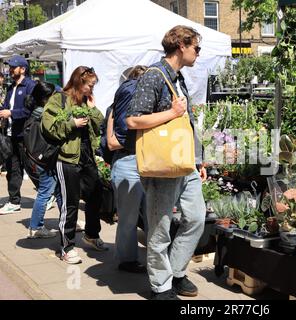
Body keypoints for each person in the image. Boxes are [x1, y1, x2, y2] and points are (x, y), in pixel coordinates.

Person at [126, 25, 207, 300]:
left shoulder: (177, 78)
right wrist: (171, 112)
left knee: (196, 219)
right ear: (181, 45)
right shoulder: (154, 76)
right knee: (159, 229)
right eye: (196, 47)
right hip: (162, 165)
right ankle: (161, 286)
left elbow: (186, 124)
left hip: (184, 164)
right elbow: (133, 119)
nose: (198, 52)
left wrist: (198, 159)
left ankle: (175, 272)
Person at [42, 66, 106, 264]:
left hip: (87, 157)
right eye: (89, 85)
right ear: (79, 82)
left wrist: (93, 108)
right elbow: (48, 127)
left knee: (96, 195)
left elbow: (100, 125)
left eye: (93, 86)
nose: (91, 89)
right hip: (67, 158)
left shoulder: (87, 101)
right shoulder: (58, 99)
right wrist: (72, 123)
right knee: (71, 202)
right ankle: (66, 246)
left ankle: (91, 234)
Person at [108, 65, 148, 273]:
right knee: (128, 217)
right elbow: (112, 142)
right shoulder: (118, 107)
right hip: (128, 161)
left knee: (153, 215)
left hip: (148, 162)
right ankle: (127, 260)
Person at [0, 55, 36, 214]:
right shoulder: (10, 87)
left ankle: (47, 194)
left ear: (23, 69)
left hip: (25, 135)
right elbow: (5, 107)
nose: (10, 70)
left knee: (31, 167)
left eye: (13, 67)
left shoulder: (30, 86)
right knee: (13, 168)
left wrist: (11, 113)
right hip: (10, 134)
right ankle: (14, 201)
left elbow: (30, 111)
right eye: (10, 67)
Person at [24, 81, 59, 239]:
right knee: (45, 193)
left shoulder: (34, 111)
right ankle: (35, 227)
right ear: (46, 98)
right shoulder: (44, 114)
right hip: (44, 160)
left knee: (58, 191)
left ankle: (67, 220)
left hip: (36, 159)